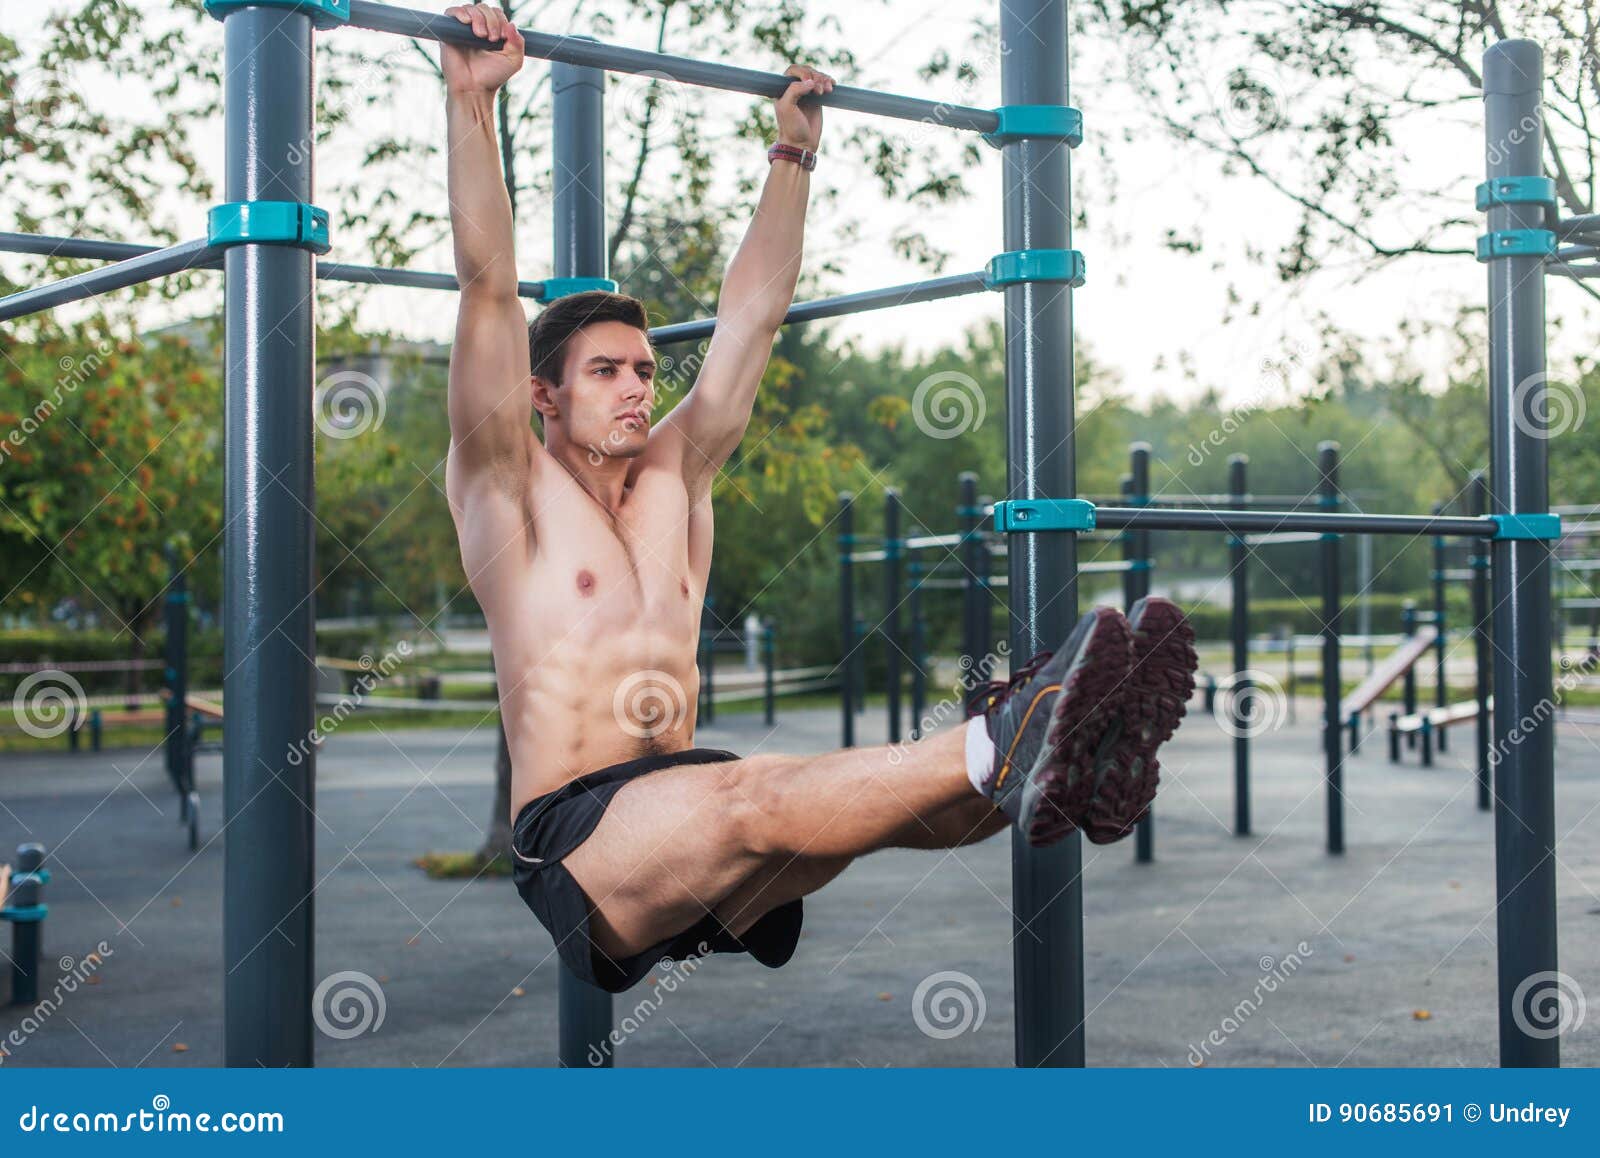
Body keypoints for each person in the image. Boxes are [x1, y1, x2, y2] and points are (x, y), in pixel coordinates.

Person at [440, 3, 1199, 995]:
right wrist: (468, 104)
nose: (637, 387)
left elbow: (752, 319)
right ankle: (1028, 716)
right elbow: (488, 284)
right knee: (761, 795)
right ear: (542, 393)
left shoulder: (680, 475)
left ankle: (1070, 749)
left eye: (642, 369)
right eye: (606, 373)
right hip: (579, 838)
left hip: (679, 794)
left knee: (910, 807)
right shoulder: (507, 490)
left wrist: (792, 158)